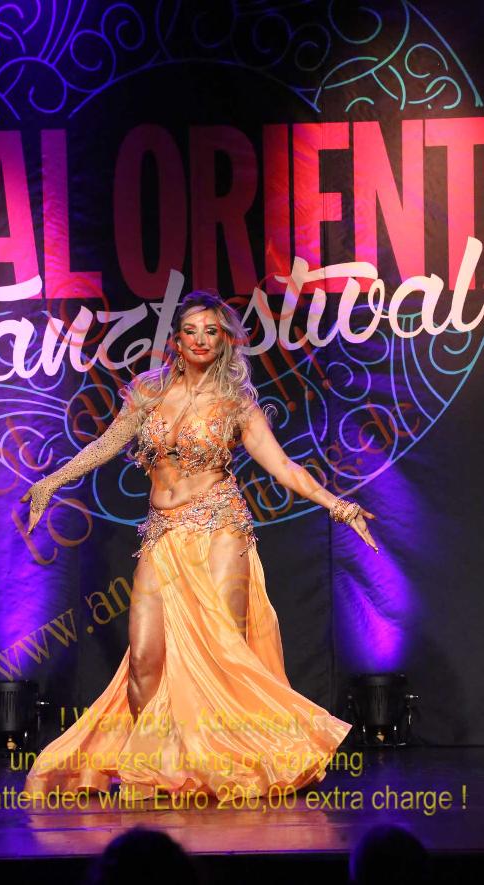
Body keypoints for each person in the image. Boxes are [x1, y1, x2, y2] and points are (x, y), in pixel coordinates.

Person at [20, 291, 378, 802]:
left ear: (224, 340)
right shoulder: (147, 391)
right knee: (144, 658)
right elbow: (107, 444)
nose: (201, 340)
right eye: (191, 331)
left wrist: (338, 505)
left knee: (223, 653)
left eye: (211, 331)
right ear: (176, 340)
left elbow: (283, 466)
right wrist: (51, 481)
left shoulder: (237, 402)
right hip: (162, 534)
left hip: (220, 527)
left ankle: (229, 765)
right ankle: (151, 766)